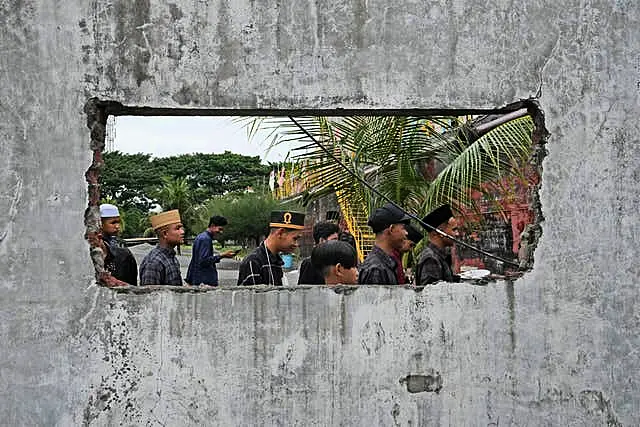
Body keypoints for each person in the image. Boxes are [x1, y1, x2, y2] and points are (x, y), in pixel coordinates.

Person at [237, 211, 305, 286]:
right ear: (280, 233)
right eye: (295, 238)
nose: (296, 244)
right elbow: (252, 296)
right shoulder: (253, 262)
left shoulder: (276, 261)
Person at [358, 203, 410, 285]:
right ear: (391, 229)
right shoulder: (376, 270)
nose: (406, 233)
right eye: (403, 228)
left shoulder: (385, 263)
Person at [415, 204, 461, 285]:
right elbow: (432, 294)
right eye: (454, 230)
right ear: (440, 232)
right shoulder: (431, 259)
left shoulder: (440, 256)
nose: (457, 234)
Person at [185, 215, 236, 286]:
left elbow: (195, 261)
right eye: (220, 229)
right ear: (212, 225)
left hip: (198, 280)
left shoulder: (201, 237)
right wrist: (222, 255)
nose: (221, 232)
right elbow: (204, 261)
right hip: (204, 283)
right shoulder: (205, 239)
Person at [139, 210, 185, 285]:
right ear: (165, 234)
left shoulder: (172, 258)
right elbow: (149, 295)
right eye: (177, 228)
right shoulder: (153, 263)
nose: (182, 232)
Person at [99, 203, 137, 285]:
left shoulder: (121, 245)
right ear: (100, 223)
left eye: (118, 222)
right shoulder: (96, 245)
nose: (117, 226)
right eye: (113, 223)